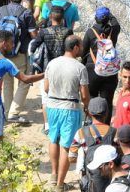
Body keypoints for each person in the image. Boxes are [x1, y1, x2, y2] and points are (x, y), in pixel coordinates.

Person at [0, 0, 37, 123]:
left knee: (7, 82)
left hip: (2, 53)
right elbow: (33, 35)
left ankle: (8, 111)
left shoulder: (0, 11)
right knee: (24, 82)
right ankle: (14, 112)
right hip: (19, 53)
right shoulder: (26, 13)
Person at [44, 35, 89, 191]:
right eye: (81, 46)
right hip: (70, 108)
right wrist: (87, 106)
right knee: (66, 146)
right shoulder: (80, 68)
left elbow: (46, 88)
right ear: (75, 47)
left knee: (53, 139)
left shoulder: (52, 63)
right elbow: (84, 95)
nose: (82, 49)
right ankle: (60, 185)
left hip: (52, 106)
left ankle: (54, 175)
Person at [31, 6, 73, 132]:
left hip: (47, 69)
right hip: (64, 68)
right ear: (63, 18)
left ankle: (47, 125)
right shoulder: (68, 32)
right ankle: (62, 123)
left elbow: (33, 46)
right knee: (62, 96)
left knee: (46, 98)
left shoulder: (44, 32)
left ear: (50, 17)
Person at [69, 97, 116, 192]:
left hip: (90, 180)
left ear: (89, 113)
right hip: (110, 182)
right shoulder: (114, 132)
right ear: (107, 113)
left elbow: (71, 158)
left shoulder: (81, 132)